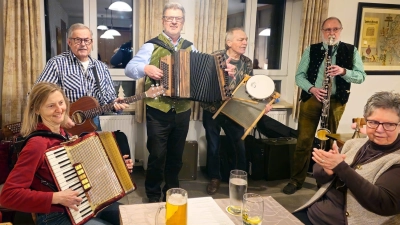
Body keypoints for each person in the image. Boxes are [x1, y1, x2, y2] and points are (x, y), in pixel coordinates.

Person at [0, 82, 134, 225]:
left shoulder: (66, 136)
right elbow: (8, 196)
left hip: (84, 204)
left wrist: (117, 169)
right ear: (37, 110)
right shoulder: (37, 144)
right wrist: (56, 197)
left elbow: (84, 174)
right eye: (51, 106)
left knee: (132, 218)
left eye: (61, 103)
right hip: (54, 216)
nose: (59, 109)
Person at [283, 17, 367, 195]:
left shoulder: (351, 51)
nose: (331, 33)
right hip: (313, 98)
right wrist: (312, 89)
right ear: (322, 32)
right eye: (327, 30)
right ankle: (296, 180)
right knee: (303, 141)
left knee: (330, 142)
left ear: (340, 30)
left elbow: (361, 76)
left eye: (335, 29)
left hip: (336, 100)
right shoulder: (312, 50)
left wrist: (343, 71)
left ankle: (326, 180)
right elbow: (299, 76)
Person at [125, 2, 196, 203]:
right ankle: (153, 194)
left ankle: (172, 190)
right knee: (157, 155)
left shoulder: (191, 47)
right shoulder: (151, 45)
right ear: (163, 21)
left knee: (176, 155)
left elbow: (203, 70)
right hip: (158, 109)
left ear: (183, 22)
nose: (174, 21)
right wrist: (145, 68)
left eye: (178, 18)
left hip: (183, 110)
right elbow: (130, 69)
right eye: (169, 18)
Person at [293, 91, 400, 224]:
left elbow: (384, 203)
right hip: (314, 213)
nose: (379, 129)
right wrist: (327, 170)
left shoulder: (396, 159)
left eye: (389, 124)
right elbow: (319, 176)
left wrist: (340, 167)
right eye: (373, 122)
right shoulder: (353, 144)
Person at [201, 27, 273, 195]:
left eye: (246, 39)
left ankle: (240, 179)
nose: (245, 42)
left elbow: (252, 87)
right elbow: (204, 81)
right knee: (213, 146)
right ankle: (214, 178)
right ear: (229, 42)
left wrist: (263, 104)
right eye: (241, 39)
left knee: (239, 146)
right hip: (212, 109)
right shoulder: (214, 57)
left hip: (235, 111)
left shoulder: (247, 62)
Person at [36, 23, 129, 131]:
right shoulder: (56, 64)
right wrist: (62, 117)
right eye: (78, 40)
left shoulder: (101, 67)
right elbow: (38, 95)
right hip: (64, 123)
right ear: (69, 42)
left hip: (93, 122)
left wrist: (115, 104)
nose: (83, 44)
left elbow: (109, 99)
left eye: (86, 40)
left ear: (91, 43)